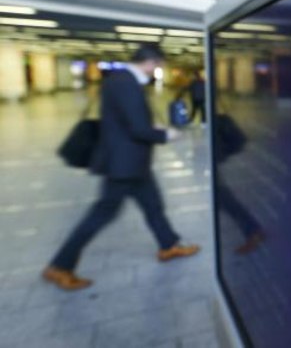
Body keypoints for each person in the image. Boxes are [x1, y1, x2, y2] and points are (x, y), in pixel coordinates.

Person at [43, 45, 200, 291]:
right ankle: (60, 266)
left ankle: (169, 245)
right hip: (123, 164)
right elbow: (137, 128)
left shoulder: (120, 80)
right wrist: (166, 135)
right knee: (102, 214)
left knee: (153, 205)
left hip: (133, 162)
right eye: (158, 66)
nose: (157, 71)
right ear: (150, 62)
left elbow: (129, 120)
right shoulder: (126, 83)